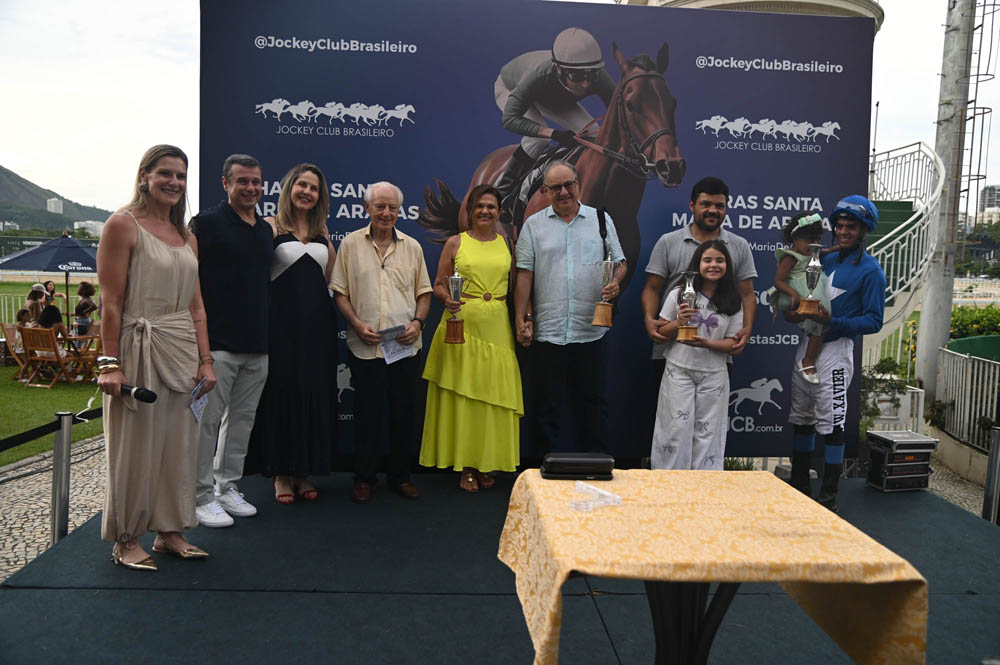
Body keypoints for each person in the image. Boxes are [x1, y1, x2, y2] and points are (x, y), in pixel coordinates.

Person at [96, 144, 217, 570]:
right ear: (144, 175)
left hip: (181, 348)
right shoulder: (122, 225)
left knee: (179, 445)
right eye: (165, 173)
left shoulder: (187, 236)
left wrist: (206, 360)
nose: (174, 182)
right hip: (138, 345)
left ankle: (170, 530)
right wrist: (110, 364)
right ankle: (126, 537)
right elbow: (111, 303)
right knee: (134, 446)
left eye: (181, 176)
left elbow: (197, 307)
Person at [513, 161, 626, 453]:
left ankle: (597, 464)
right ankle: (544, 469)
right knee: (546, 406)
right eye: (556, 188)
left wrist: (615, 283)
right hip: (548, 331)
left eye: (568, 185)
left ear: (578, 185)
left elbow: (619, 262)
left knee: (594, 402)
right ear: (545, 191)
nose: (563, 192)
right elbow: (524, 274)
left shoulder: (600, 219)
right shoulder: (533, 225)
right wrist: (522, 318)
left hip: (591, 330)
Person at [331, 181, 432, 504]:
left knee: (403, 414)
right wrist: (356, 323)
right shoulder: (350, 245)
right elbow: (340, 292)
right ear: (367, 209)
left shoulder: (413, 248)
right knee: (366, 415)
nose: (386, 213)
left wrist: (418, 323)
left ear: (399, 211)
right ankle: (364, 478)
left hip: (405, 347)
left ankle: (401, 476)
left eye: (392, 207)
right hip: (365, 347)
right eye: (380, 207)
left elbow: (424, 292)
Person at [419, 184, 524, 492]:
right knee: (464, 395)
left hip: (497, 329)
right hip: (460, 327)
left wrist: (525, 318)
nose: (485, 211)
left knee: (490, 396)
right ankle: (466, 465)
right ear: (470, 210)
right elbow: (439, 284)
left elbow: (516, 285)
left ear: (499, 212)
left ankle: (485, 462)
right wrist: (446, 299)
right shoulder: (456, 242)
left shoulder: (507, 244)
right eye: (479, 206)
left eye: (491, 206)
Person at [786, 195, 886, 512]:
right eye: (840, 226)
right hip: (807, 344)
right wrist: (793, 313)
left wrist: (835, 323)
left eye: (851, 227)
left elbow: (874, 320)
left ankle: (828, 497)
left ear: (864, 230)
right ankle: (800, 486)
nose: (843, 232)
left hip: (836, 351)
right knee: (802, 418)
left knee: (832, 424)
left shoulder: (872, 271)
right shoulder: (822, 260)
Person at [190, 154, 274, 527]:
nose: (251, 188)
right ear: (226, 184)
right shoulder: (205, 224)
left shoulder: (265, 230)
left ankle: (226, 487)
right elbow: (190, 285)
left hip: (257, 343)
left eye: (256, 182)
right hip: (217, 344)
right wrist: (201, 350)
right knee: (206, 424)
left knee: (241, 421)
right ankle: (199, 496)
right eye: (243, 181)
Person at [640, 176, 757, 442]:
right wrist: (649, 319)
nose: (713, 210)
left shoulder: (738, 245)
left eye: (719, 206)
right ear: (692, 205)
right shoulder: (669, 241)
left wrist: (747, 328)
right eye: (706, 204)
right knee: (672, 428)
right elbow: (652, 288)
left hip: (716, 357)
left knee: (707, 430)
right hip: (671, 350)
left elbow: (747, 294)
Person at [247, 164, 337, 503]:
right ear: (289, 188)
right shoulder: (269, 226)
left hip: (317, 327)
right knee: (281, 393)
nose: (307, 192)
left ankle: (304, 471)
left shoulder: (322, 230)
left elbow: (331, 277)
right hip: (280, 327)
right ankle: (281, 474)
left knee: (312, 392)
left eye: (314, 188)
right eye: (302, 185)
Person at [493, 27, 615, 222]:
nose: (585, 84)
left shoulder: (599, 76)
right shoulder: (537, 75)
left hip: (555, 96)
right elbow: (509, 119)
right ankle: (502, 194)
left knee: (595, 136)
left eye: (590, 76)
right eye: (577, 76)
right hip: (511, 87)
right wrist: (553, 134)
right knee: (537, 141)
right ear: (559, 69)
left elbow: (619, 111)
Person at [651, 241, 743, 470]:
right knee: (675, 430)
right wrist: (678, 323)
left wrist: (707, 343)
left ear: (727, 266)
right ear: (697, 264)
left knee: (708, 434)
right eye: (707, 260)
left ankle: (704, 486)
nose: (713, 265)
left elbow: (733, 343)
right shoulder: (678, 293)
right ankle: (670, 484)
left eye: (719, 260)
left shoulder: (733, 300)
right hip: (679, 370)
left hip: (714, 375)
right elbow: (660, 333)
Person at [764, 213, 835, 384]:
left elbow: (823, 252)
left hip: (810, 289)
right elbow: (778, 281)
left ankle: (808, 359)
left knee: (822, 323)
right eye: (809, 240)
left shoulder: (811, 251)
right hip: (793, 294)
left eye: (817, 240)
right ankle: (808, 361)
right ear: (795, 238)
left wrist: (838, 249)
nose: (814, 244)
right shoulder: (789, 257)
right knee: (820, 321)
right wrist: (794, 294)